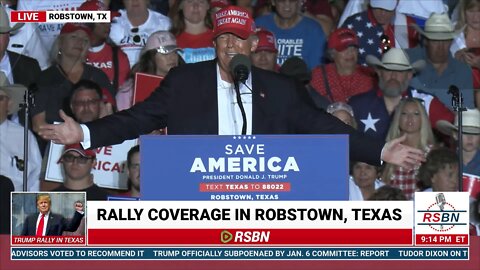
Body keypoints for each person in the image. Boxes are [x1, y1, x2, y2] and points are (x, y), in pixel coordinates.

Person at [38, 6, 426, 170]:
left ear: (253, 45)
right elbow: (135, 119)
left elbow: (323, 126)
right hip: (196, 208)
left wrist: (380, 149)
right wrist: (84, 133)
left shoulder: (280, 89)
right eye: (223, 39)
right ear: (213, 44)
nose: (230, 46)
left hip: (263, 211)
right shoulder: (184, 82)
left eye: (238, 40)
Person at [348, 48, 454, 140]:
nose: (393, 76)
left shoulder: (426, 103)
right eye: (388, 70)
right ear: (379, 72)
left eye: (399, 72)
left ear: (409, 75)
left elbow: (456, 132)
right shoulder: (357, 105)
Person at [31, 23, 115, 138]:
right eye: (74, 37)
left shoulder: (98, 76)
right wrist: (66, 142)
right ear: (60, 42)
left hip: (96, 144)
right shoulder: (45, 78)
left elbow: (110, 115)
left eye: (85, 40)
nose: (80, 42)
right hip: (54, 147)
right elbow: (38, 125)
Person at [407, 13, 476, 109]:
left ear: (451, 41)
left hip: (451, 122)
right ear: (426, 41)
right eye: (435, 41)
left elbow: (466, 113)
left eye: (445, 40)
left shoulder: (463, 72)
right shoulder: (409, 63)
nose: (440, 47)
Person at [382, 98, 437, 200]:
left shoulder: (433, 153)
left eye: (416, 114)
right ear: (398, 118)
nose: (410, 118)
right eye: (404, 114)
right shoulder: (387, 150)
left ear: (423, 118)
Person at [116, 31, 183, 111]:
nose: (172, 58)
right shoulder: (131, 88)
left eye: (175, 52)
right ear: (151, 57)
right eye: (165, 53)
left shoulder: (186, 82)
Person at [341, 0, 419, 65]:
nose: (382, 13)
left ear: (397, 2)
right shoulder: (354, 24)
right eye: (378, 7)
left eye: (387, 8)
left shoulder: (407, 25)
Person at [255, 0, 327, 69]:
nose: (287, 5)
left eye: (292, 0)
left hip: (302, 80)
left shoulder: (313, 30)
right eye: (282, 0)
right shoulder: (260, 25)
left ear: (299, 2)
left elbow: (317, 69)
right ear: (273, 2)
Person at [310, 28, 376, 103]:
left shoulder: (369, 76)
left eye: (353, 48)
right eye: (343, 49)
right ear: (332, 53)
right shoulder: (319, 75)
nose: (350, 53)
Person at [0, 72, 41, 192]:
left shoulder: (23, 136)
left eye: (0, 98)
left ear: (9, 104)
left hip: (14, 202)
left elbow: (36, 177)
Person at [80, 0, 131, 93]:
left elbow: (123, 93)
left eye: (109, 20)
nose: (108, 25)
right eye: (102, 22)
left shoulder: (119, 56)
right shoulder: (71, 53)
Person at [109, 0, 172, 67]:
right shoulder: (111, 18)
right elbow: (97, 10)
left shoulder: (165, 24)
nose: (135, 1)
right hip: (117, 73)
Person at [450, 0, 480, 107]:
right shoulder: (453, 30)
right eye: (471, 11)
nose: (475, 17)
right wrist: (460, 58)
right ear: (464, 11)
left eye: (479, 11)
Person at [437, 108, 480, 177]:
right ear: (455, 135)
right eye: (464, 133)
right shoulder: (445, 161)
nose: (470, 138)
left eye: (475, 133)